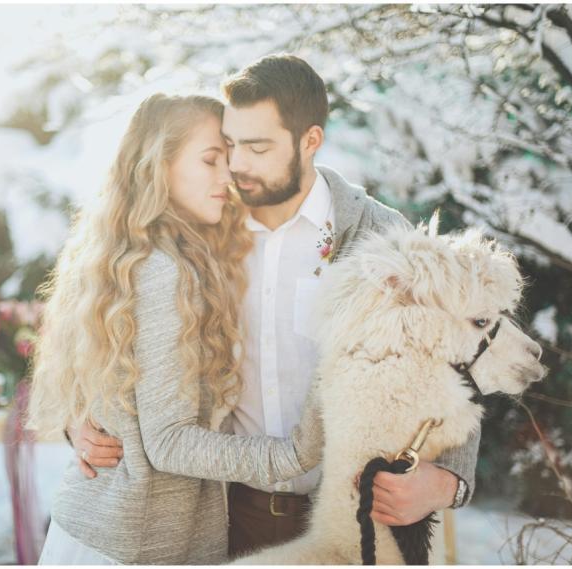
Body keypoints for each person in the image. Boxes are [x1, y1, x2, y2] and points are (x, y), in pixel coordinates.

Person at [71, 54, 480, 560]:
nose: (238, 164)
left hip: (357, 517)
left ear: (310, 142)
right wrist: (82, 414)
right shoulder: (204, 232)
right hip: (233, 519)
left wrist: (448, 480)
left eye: (257, 148)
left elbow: (460, 356)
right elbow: (106, 315)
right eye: (230, 145)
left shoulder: (380, 236)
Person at [27, 93, 325, 565]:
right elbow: (167, 442)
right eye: (210, 160)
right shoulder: (165, 269)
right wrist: (293, 455)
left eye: (229, 160)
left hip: (101, 530)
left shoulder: (131, 251)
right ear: (158, 165)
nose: (227, 176)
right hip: (138, 543)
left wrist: (82, 421)